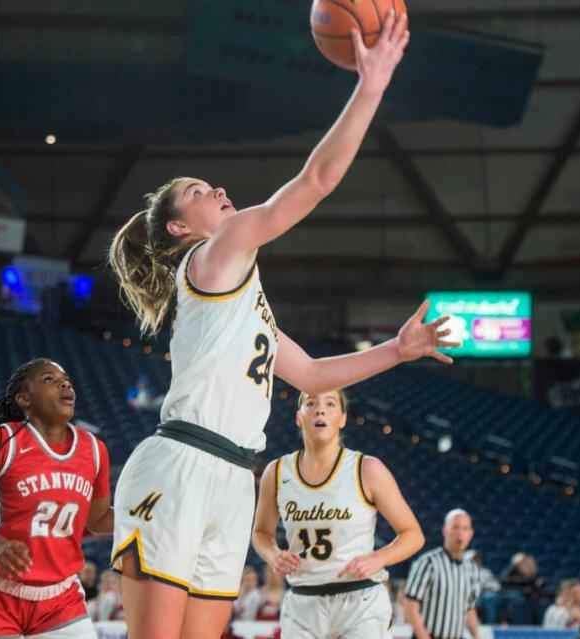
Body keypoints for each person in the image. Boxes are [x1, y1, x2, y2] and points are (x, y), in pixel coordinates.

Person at [106, 13, 452, 639]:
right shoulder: (211, 255)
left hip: (236, 477)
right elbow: (316, 181)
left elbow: (315, 374)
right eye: (198, 190)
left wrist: (398, 351)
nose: (217, 188)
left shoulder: (243, 298)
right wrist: (370, 84)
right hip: (182, 462)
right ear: (182, 228)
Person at [0, 358, 113, 639]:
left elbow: (99, 519)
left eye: (66, 379)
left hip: (60, 596)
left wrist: (147, 516)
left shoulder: (94, 450)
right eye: (49, 380)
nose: (65, 384)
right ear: (24, 399)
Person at [251, 389, 424, 638]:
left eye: (330, 404)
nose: (320, 409)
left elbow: (413, 534)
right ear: (298, 417)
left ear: (342, 418)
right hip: (303, 600)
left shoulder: (368, 469)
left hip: (359, 600)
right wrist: (273, 554)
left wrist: (378, 558)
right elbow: (261, 532)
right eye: (311, 403)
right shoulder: (276, 472)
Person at [404, 509, 481, 639]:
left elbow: (470, 609)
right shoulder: (428, 563)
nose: (460, 533)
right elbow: (410, 606)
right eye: (456, 527)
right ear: (445, 530)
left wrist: (476, 635)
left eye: (465, 528)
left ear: (471, 533)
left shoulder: (472, 569)